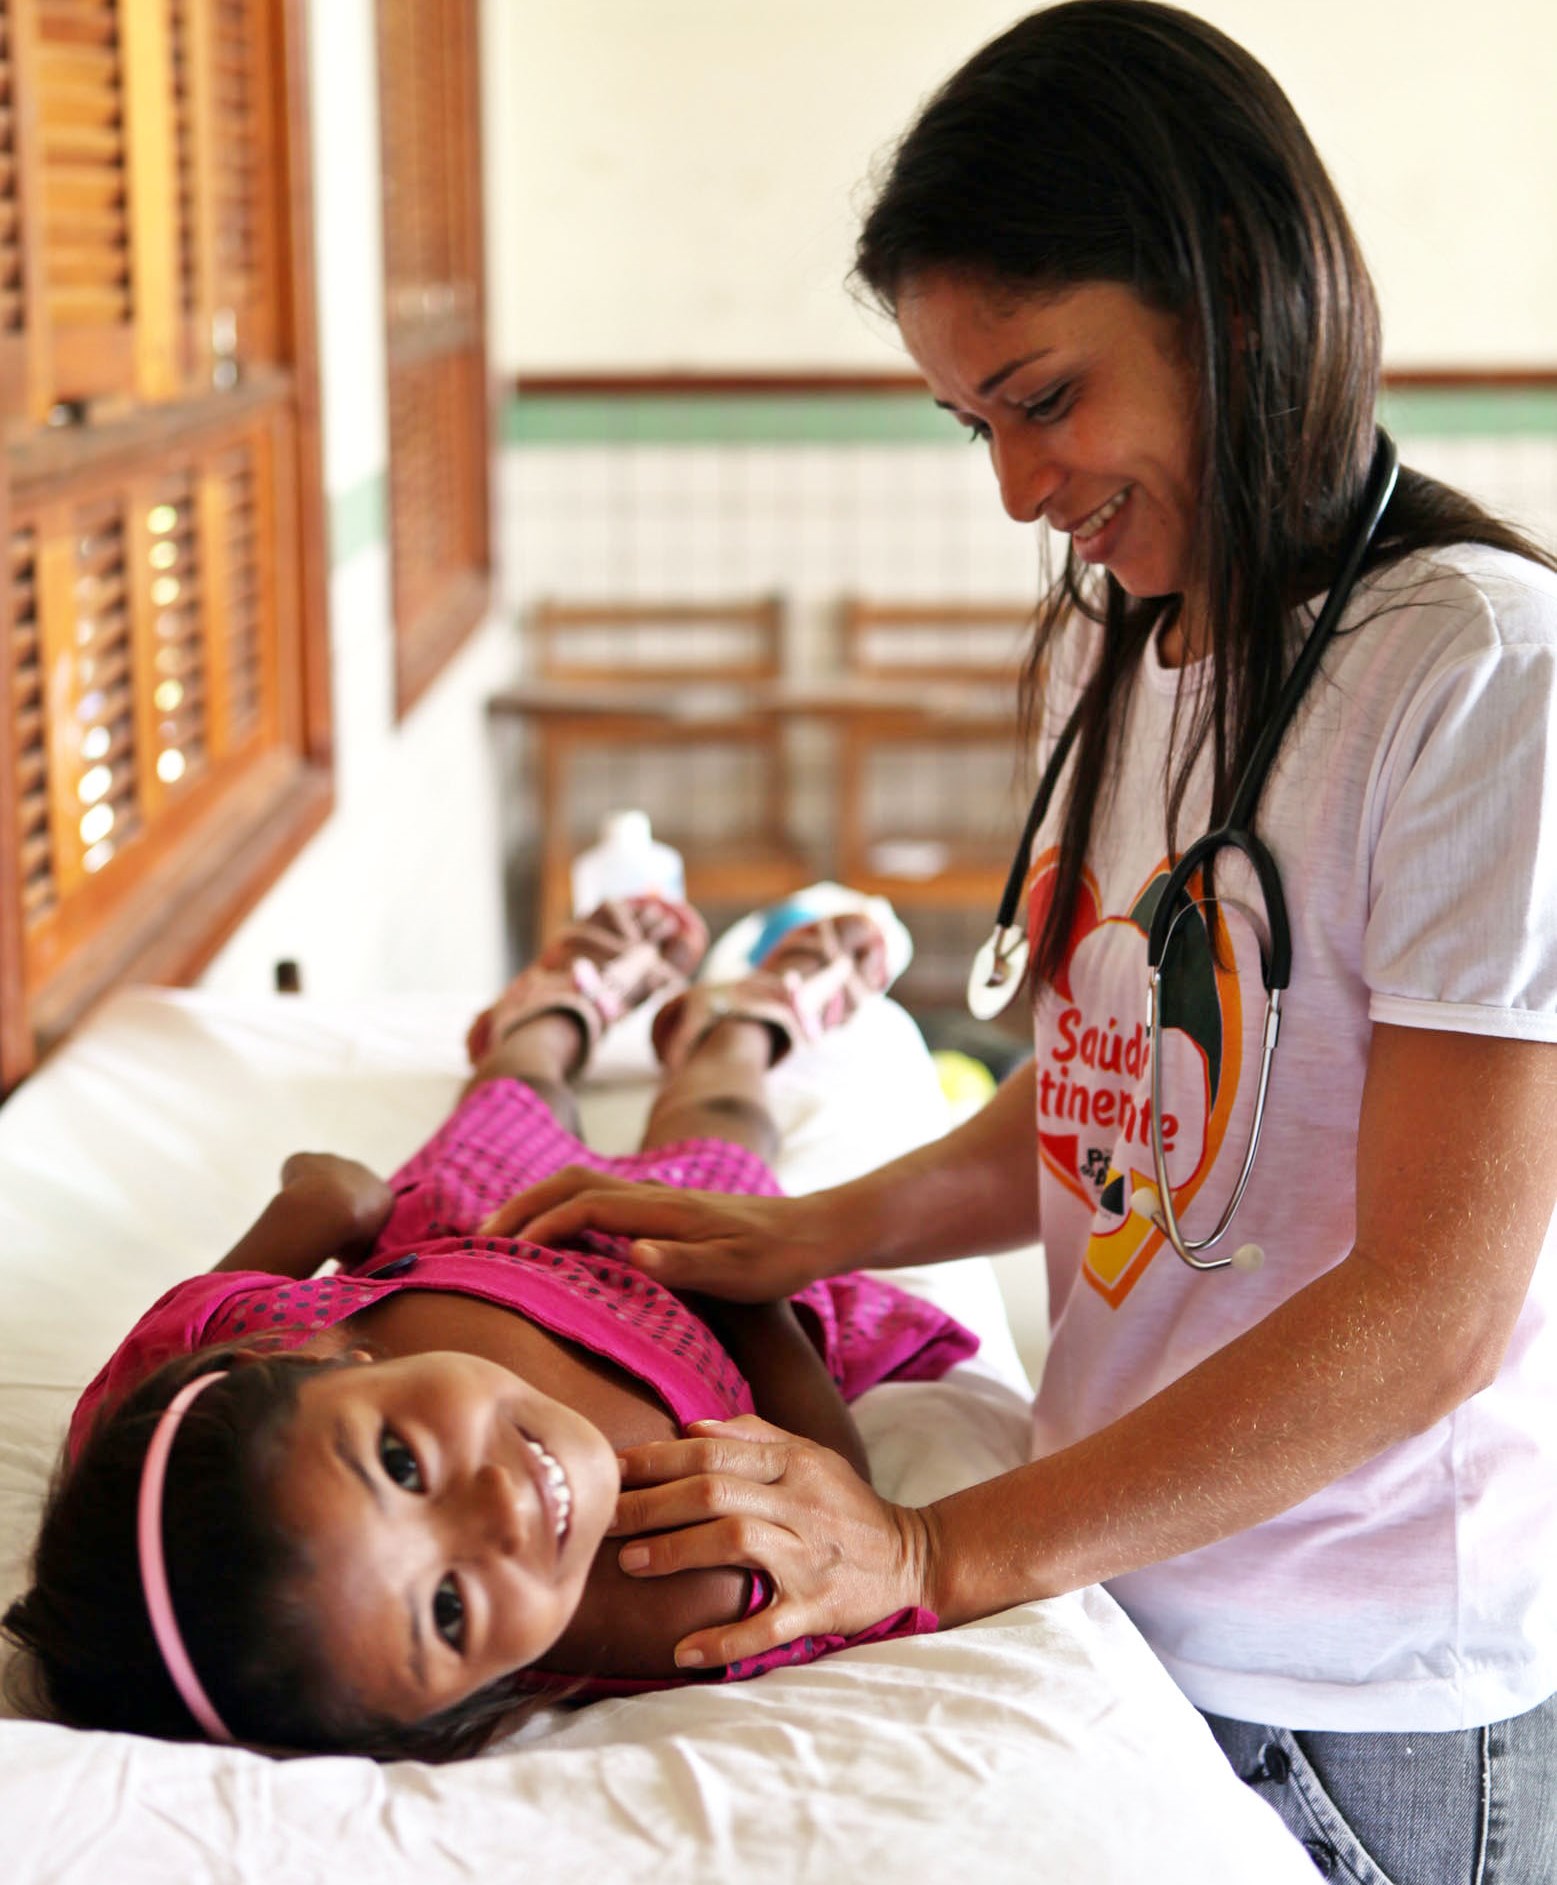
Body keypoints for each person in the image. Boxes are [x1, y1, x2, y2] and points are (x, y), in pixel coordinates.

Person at [479, 6, 1557, 1877]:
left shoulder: (1477, 676)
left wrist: (929, 1553)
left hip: (1357, 1692)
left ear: (1236, 293)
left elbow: (1428, 1319)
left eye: (1044, 399)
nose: (1014, 487)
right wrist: (808, 1231)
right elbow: (1101, 1101)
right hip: (1112, 1584)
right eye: (971, 420)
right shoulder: (1109, 643)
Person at [1, 899, 975, 1761]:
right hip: (709, 1304)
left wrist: (329, 1205)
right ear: (457, 1711)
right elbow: (831, 1481)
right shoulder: (686, 1593)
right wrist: (753, 1296)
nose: (501, 1514)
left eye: (400, 1462)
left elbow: (185, 1331)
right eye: (449, 1609)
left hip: (485, 1221)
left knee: (516, 1094)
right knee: (725, 1117)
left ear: (313, 1354)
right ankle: (742, 1027)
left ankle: (548, 1017)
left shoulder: (235, 1364)